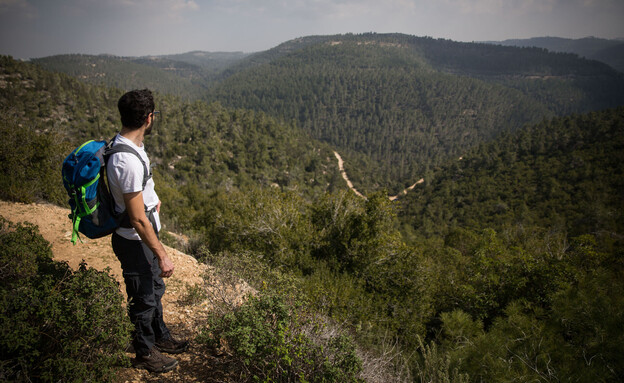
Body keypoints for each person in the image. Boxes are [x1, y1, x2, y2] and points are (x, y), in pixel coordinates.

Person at [108, 89, 188, 373]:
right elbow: (138, 219)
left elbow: (141, 197)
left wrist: (155, 202)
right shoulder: (126, 160)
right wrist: (162, 254)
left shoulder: (133, 147)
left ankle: (159, 337)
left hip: (142, 237)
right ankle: (144, 352)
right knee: (142, 299)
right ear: (149, 118)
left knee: (154, 289)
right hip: (135, 240)